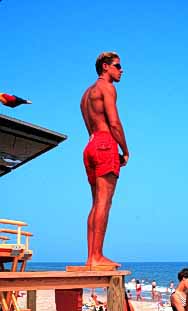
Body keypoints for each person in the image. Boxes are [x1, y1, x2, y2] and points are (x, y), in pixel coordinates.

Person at [80, 51, 129, 267]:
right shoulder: (107, 88)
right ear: (105, 67)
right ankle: (97, 256)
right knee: (104, 202)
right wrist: (125, 150)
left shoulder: (85, 95)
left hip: (90, 144)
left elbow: (90, 126)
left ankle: (91, 256)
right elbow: (114, 123)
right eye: (117, 66)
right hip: (105, 143)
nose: (121, 70)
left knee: (95, 203)